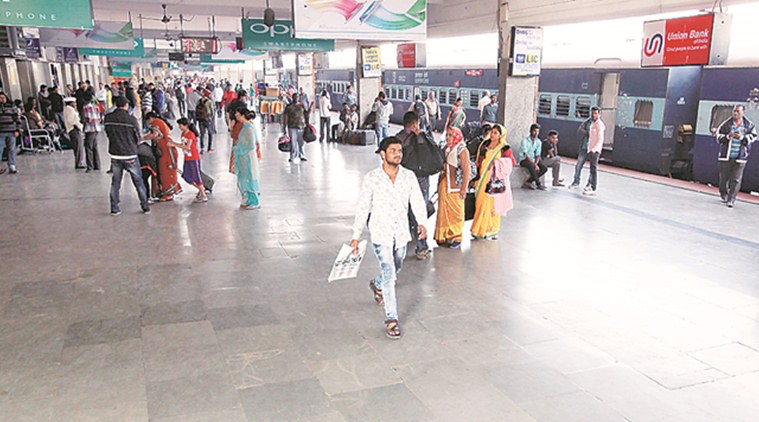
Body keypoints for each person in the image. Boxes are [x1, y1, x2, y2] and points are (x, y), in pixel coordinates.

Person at [350, 136, 427, 340]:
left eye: (400, 151)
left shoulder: (408, 176)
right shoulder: (372, 178)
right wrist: (356, 236)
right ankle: (392, 319)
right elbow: (363, 206)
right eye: (393, 151)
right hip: (381, 232)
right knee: (389, 271)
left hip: (401, 232)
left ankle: (377, 284)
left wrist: (421, 223)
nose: (398, 154)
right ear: (383, 154)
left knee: (397, 266)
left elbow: (417, 201)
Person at [104, 96, 150, 215]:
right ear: (126, 105)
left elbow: (108, 134)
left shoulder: (108, 118)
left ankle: (114, 208)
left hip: (115, 154)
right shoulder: (131, 120)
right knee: (138, 182)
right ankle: (145, 206)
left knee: (115, 183)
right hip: (130, 155)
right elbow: (137, 138)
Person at [396, 112, 433, 259]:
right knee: (419, 214)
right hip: (420, 180)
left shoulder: (397, 138)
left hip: (401, 180)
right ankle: (422, 248)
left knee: (404, 212)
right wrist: (423, 136)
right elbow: (432, 154)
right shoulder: (421, 138)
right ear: (415, 124)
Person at [472, 125, 515, 240]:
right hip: (482, 177)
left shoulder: (504, 148)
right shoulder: (485, 145)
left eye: (495, 133)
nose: (492, 135)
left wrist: (497, 163)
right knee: (480, 203)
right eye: (492, 132)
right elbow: (479, 160)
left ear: (501, 135)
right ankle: (479, 230)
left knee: (493, 205)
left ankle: (492, 230)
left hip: (493, 180)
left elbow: (511, 162)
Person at [434, 127, 471, 248]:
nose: (448, 137)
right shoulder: (447, 148)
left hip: (456, 188)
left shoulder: (462, 149)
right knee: (444, 210)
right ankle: (445, 234)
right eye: (447, 135)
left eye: (451, 135)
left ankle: (457, 236)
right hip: (445, 184)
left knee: (457, 212)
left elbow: (467, 170)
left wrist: (464, 189)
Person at [716, 104, 757, 208]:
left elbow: (753, 137)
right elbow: (718, 137)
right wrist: (728, 136)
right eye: (734, 111)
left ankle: (731, 199)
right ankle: (724, 195)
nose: (735, 113)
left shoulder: (749, 125)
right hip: (726, 156)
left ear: (743, 113)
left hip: (740, 157)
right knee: (723, 178)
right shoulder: (726, 124)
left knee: (736, 179)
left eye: (738, 111)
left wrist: (742, 137)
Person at [143, 112, 181, 201]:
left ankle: (169, 193)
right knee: (163, 171)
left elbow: (155, 134)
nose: (148, 123)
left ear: (151, 118)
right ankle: (164, 191)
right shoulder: (160, 122)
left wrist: (143, 138)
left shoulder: (156, 123)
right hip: (165, 150)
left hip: (166, 151)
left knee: (166, 171)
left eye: (148, 120)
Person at [570, 106, 605, 196]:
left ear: (599, 114)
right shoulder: (587, 122)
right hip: (585, 147)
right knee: (579, 165)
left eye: (595, 113)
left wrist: (594, 149)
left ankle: (591, 185)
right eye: (592, 113)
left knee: (593, 169)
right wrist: (587, 132)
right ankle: (576, 182)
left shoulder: (600, 125)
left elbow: (599, 139)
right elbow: (580, 130)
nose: (593, 115)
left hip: (593, 150)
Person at [232, 107, 262, 210]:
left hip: (248, 157)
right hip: (243, 158)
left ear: (243, 115)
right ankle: (248, 199)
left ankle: (255, 201)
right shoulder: (244, 127)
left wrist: (238, 148)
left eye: (237, 114)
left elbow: (251, 145)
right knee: (244, 178)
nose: (236, 116)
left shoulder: (249, 128)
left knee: (250, 178)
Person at [176, 118, 208, 203]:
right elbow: (183, 145)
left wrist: (174, 144)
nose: (179, 127)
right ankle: (201, 189)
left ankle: (203, 195)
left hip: (193, 158)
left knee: (196, 176)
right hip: (187, 158)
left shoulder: (191, 134)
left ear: (186, 125)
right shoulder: (183, 134)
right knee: (186, 176)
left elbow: (187, 147)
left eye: (181, 125)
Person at [519, 123, 548, 190]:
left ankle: (528, 181)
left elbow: (538, 155)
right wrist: (534, 165)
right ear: (530, 131)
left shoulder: (538, 142)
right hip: (524, 160)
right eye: (535, 131)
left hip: (534, 160)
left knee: (544, 168)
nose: (536, 133)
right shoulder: (525, 141)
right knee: (531, 166)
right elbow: (526, 155)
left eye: (538, 131)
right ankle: (538, 184)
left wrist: (536, 163)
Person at [82, 92, 102, 172]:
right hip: (96, 128)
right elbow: (99, 118)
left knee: (88, 147)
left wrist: (82, 120)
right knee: (95, 147)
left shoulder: (86, 108)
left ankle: (90, 166)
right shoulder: (96, 107)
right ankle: (97, 165)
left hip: (90, 129)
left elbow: (88, 119)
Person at [0, 92, 20, 174]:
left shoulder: (12, 107)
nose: (2, 99)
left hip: (11, 131)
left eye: (3, 98)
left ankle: (12, 165)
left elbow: (17, 119)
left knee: (11, 149)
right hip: (1, 132)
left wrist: (17, 130)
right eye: (0, 98)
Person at [284, 93, 307, 162]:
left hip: (301, 126)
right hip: (292, 126)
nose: (296, 98)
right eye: (295, 97)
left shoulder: (302, 105)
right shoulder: (289, 106)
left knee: (301, 142)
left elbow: (306, 114)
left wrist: (307, 124)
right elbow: (285, 117)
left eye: (297, 97)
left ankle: (302, 155)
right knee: (293, 142)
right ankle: (292, 156)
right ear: (292, 98)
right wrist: (284, 127)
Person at [64, 96, 85, 169]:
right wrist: (79, 128)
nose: (75, 104)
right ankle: (78, 163)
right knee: (78, 146)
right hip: (74, 130)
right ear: (71, 103)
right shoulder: (70, 110)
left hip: (73, 129)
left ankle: (79, 162)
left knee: (78, 146)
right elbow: (72, 121)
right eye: (74, 102)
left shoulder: (69, 109)